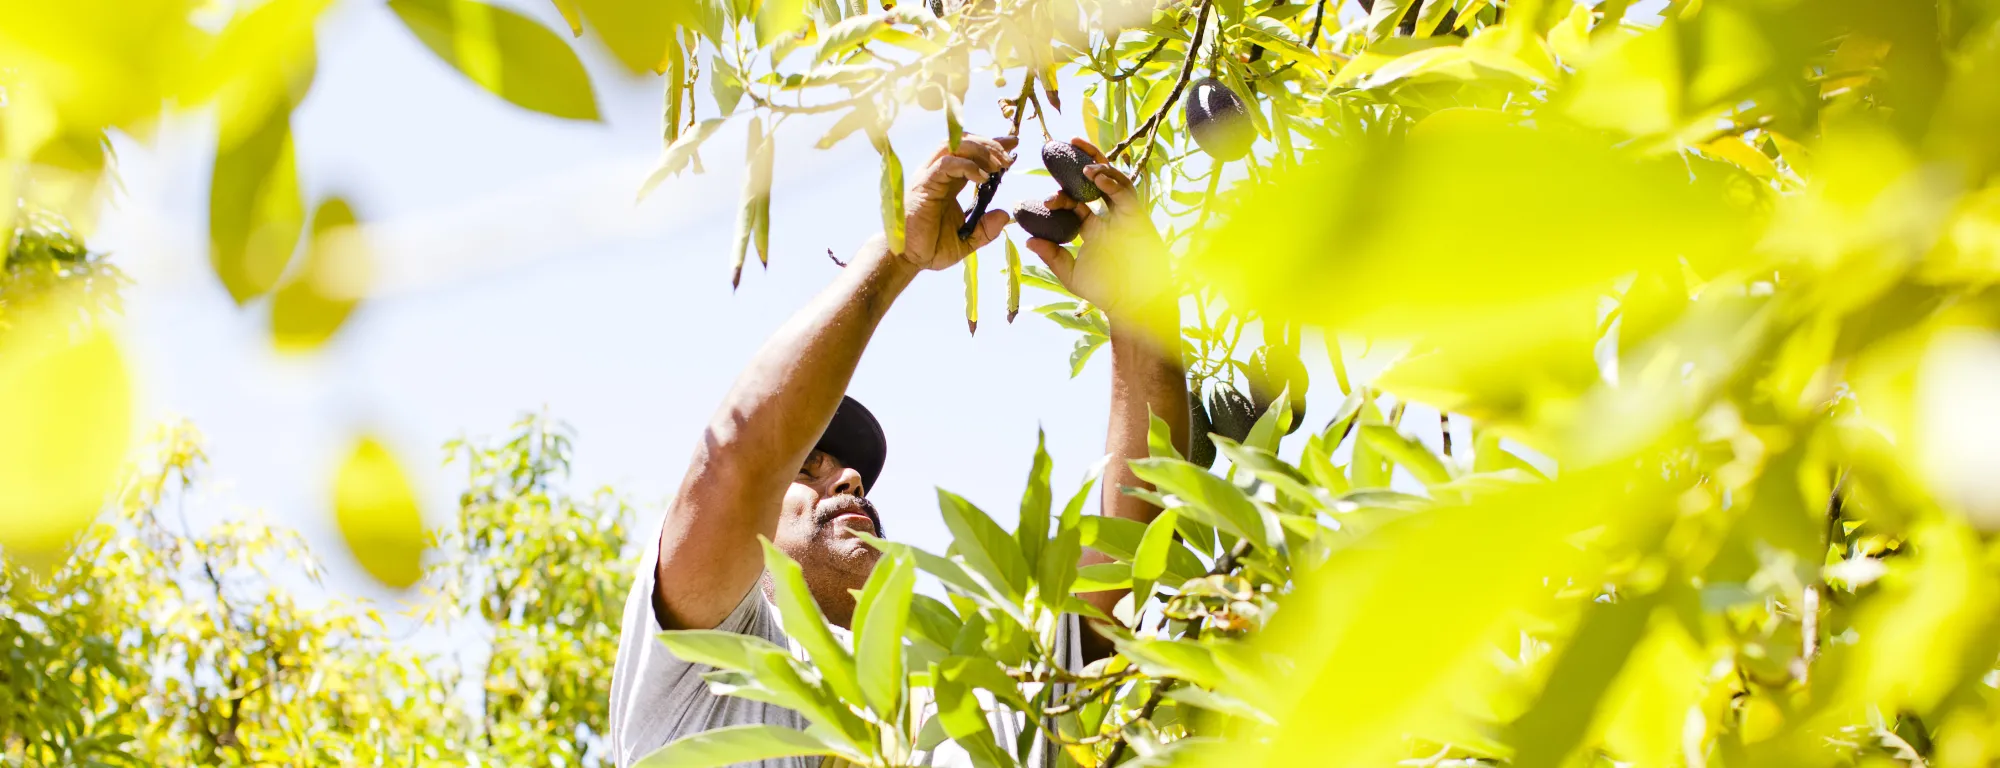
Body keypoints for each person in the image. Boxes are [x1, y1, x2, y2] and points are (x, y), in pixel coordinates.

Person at [608, 133, 1188, 768]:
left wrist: (1143, 319)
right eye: (807, 467)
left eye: (852, 474)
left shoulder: (976, 701)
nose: (852, 478)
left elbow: (1126, 565)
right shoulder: (702, 675)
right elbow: (737, 460)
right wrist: (895, 254)